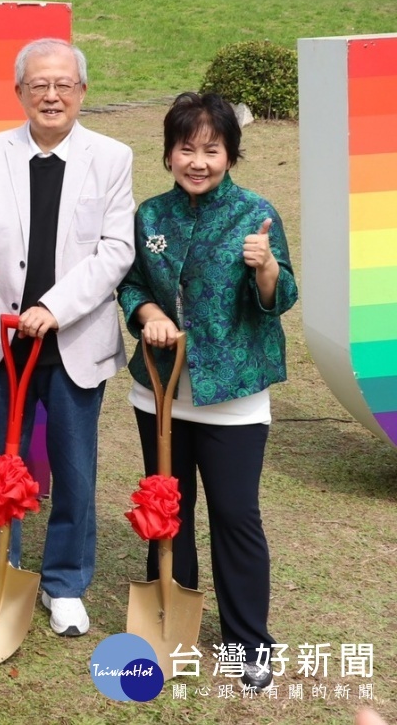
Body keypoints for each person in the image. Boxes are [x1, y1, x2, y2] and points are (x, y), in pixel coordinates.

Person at [0, 38, 135, 637]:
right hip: (2, 337)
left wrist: (54, 308)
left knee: (74, 466)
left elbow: (116, 252)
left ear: (82, 91)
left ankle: (65, 581)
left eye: (63, 85)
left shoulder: (111, 158)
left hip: (74, 340)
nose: (51, 95)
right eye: (39, 85)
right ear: (20, 92)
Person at [117, 92, 297, 691]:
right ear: (168, 153)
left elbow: (281, 298)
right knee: (168, 508)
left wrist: (265, 268)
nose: (198, 161)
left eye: (212, 149)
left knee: (235, 514)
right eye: (186, 148)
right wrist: (146, 313)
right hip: (161, 391)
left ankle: (250, 644)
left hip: (234, 396)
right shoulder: (150, 216)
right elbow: (133, 282)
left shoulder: (256, 214)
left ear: (231, 155)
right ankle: (171, 619)